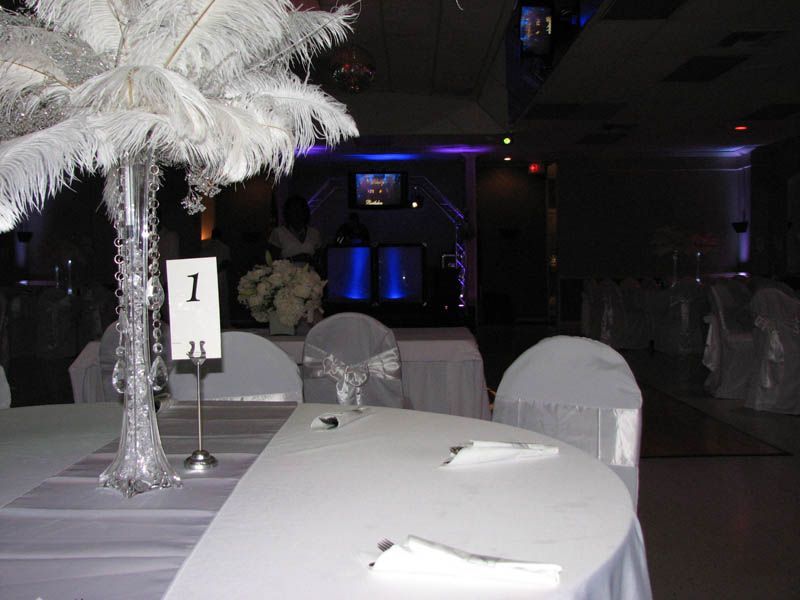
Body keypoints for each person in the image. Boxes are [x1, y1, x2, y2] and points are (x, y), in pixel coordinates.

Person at [268, 195, 321, 266]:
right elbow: (272, 262)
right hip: (286, 275)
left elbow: (319, 260)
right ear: (288, 213)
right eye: (293, 210)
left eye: (300, 210)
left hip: (311, 275)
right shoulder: (278, 233)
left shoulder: (314, 233)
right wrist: (294, 258)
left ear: (305, 212)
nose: (297, 213)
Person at [200, 228, 232, 326]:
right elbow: (226, 262)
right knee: (220, 299)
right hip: (216, 275)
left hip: (214, 275)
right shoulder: (218, 247)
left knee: (216, 298)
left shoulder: (206, 246)